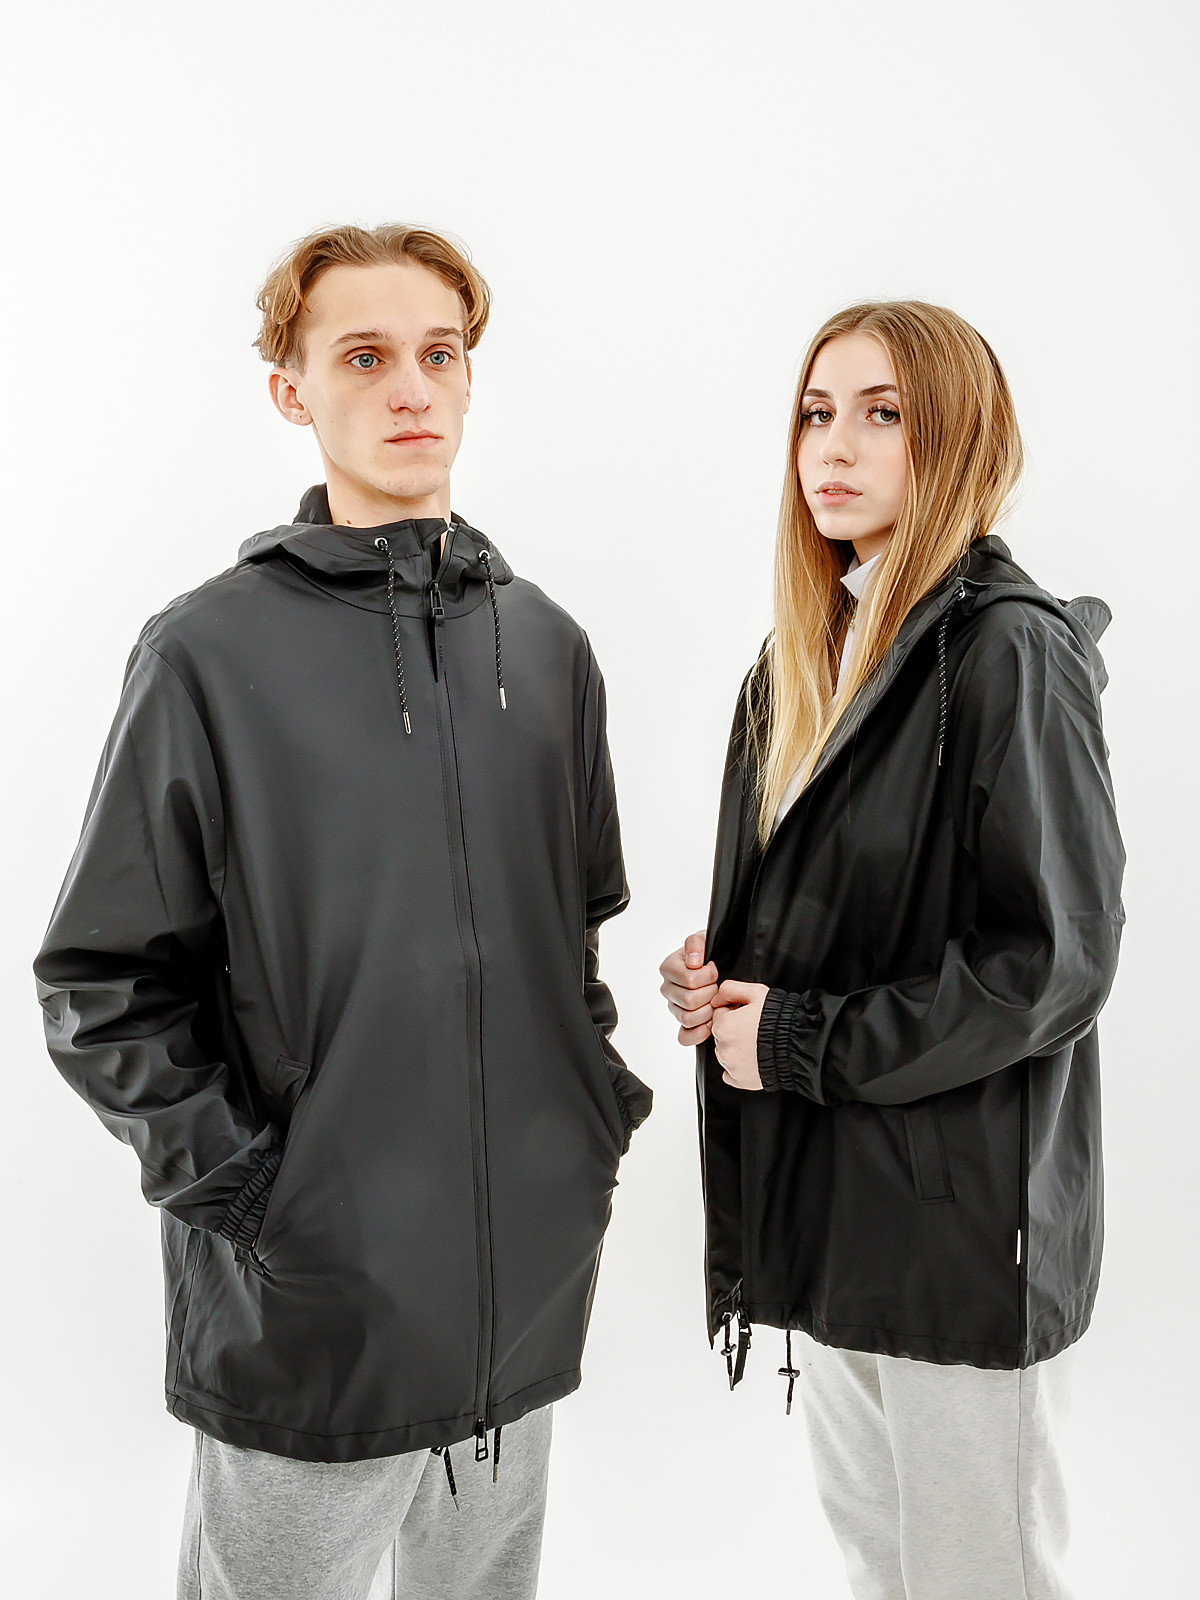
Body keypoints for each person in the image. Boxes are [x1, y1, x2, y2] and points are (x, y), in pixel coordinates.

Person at [35, 222, 651, 1600]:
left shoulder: (547, 646)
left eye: (440, 353)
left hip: (519, 1291)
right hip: (312, 1303)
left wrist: (587, 1125)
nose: (411, 389)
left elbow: (572, 941)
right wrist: (259, 1197)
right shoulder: (207, 652)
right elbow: (100, 981)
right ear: (292, 390)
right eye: (364, 357)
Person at [659, 301, 1124, 1600]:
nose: (836, 445)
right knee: (884, 1574)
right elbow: (843, 919)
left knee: (981, 1579)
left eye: (884, 414)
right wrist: (724, 983)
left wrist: (799, 1038)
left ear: (960, 437)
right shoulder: (805, 658)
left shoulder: (1009, 651)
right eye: (818, 412)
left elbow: (1052, 964)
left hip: (963, 1234)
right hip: (837, 1213)